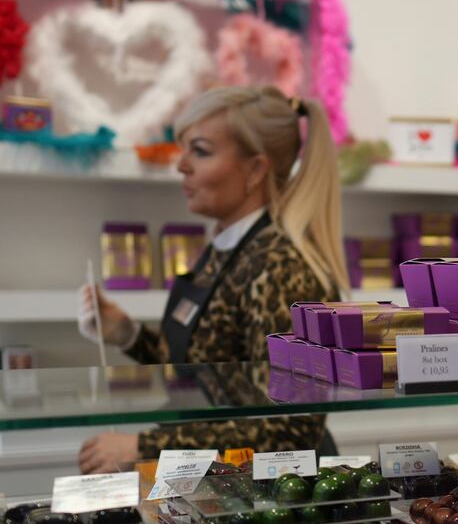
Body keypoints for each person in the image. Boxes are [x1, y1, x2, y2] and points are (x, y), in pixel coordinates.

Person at [76, 86, 347, 473]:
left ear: (255, 169)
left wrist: (142, 445)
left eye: (200, 151)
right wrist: (129, 336)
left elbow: (290, 429)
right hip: (228, 483)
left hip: (279, 496)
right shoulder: (228, 248)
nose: (181, 165)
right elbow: (210, 374)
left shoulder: (282, 267)